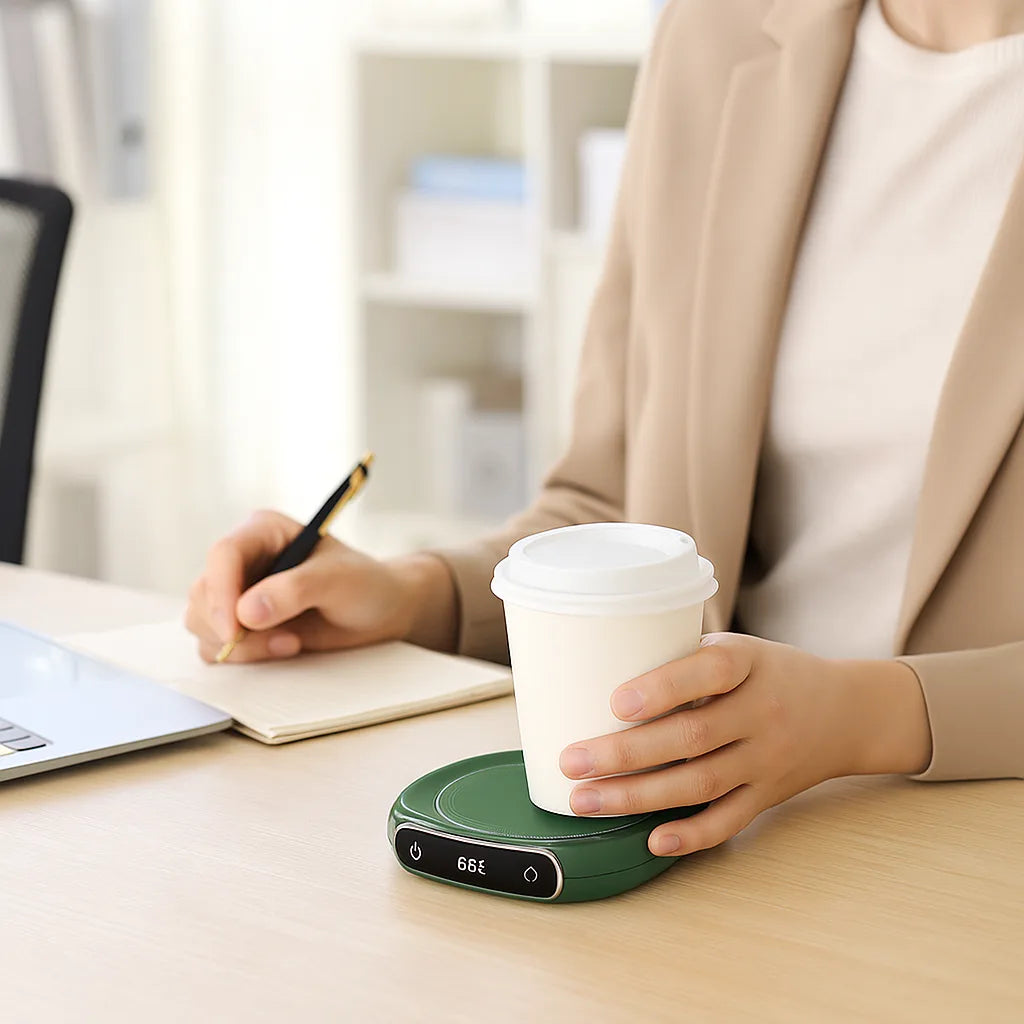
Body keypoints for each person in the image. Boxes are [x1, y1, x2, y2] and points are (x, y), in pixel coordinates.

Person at [186, 0, 1024, 858]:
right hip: (717, 850)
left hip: (969, 855)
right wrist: (412, 597)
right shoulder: (717, 34)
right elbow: (612, 506)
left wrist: (863, 716)